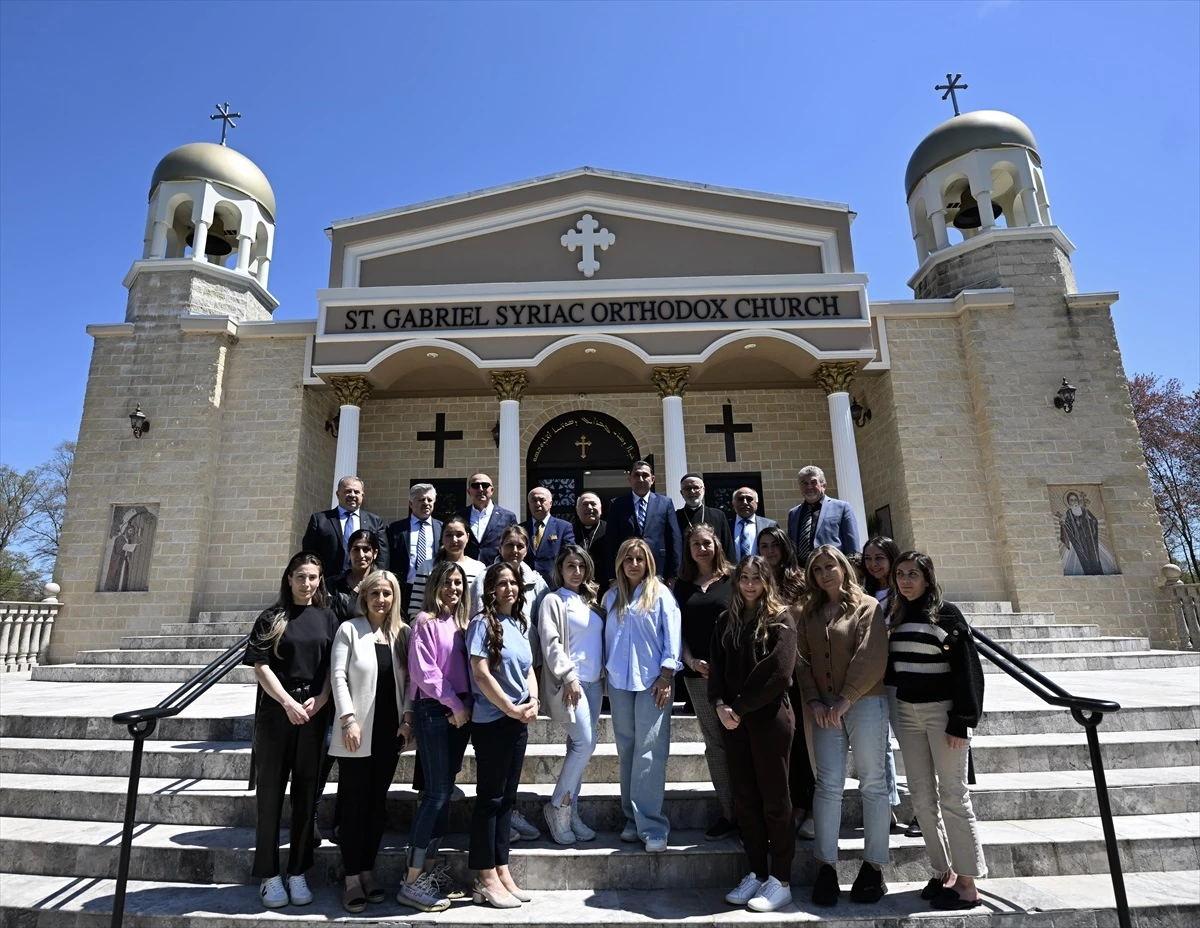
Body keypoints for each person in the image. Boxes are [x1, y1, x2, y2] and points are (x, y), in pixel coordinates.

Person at [887, 551, 987, 910]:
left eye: (913, 574)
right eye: (900, 574)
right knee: (922, 799)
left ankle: (968, 884)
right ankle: (941, 870)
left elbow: (969, 670)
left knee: (953, 798)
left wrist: (962, 719)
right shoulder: (895, 615)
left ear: (927, 577)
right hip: (907, 713)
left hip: (943, 715)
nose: (905, 580)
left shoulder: (946, 614)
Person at [796, 544, 890, 907]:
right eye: (817, 568)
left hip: (864, 703)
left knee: (873, 783)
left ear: (843, 568)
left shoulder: (867, 606)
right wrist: (814, 699)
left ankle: (874, 867)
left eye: (830, 565)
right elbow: (802, 661)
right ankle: (826, 867)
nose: (824, 573)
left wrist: (846, 698)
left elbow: (872, 655)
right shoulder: (809, 612)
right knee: (828, 784)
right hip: (824, 709)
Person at [244, 552, 338, 909]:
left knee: (306, 793)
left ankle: (298, 871)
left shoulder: (328, 617)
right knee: (270, 795)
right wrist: (287, 703)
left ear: (320, 580)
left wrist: (322, 697)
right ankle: (269, 876)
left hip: (314, 713)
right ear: (289, 579)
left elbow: (332, 664)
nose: (307, 583)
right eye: (301, 576)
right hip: (277, 713)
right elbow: (260, 665)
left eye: (313, 577)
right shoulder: (272, 617)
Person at [710, 556, 798, 913]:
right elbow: (716, 669)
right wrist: (719, 704)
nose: (749, 584)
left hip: (768, 719)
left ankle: (781, 879)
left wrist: (739, 707)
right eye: (743, 578)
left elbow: (778, 672)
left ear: (767, 582)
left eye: (756, 578)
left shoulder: (782, 619)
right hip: (733, 722)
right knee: (745, 799)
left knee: (775, 799)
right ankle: (757, 871)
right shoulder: (725, 620)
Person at [329, 570, 413, 914]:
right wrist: (348, 719)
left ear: (395, 598)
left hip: (388, 733)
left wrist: (407, 719)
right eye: (375, 593)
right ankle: (350, 878)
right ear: (364, 597)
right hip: (356, 731)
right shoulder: (349, 630)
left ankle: (368, 870)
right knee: (354, 803)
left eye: (388, 594)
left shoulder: (402, 634)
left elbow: (412, 682)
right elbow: (337, 676)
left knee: (377, 804)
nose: (382, 599)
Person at [467, 523, 548, 842]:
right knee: (493, 793)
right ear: (500, 546)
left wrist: (534, 698)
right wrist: (511, 707)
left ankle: (502, 838)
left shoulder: (536, 584)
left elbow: (533, 644)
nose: (515, 550)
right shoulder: (482, 594)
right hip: (495, 702)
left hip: (521, 687)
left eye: (521, 545)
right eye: (509, 545)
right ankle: (488, 858)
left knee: (506, 791)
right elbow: (480, 662)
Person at [401, 560, 474, 912]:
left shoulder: (462, 624)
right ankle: (411, 880)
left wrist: (467, 706)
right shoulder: (424, 622)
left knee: (444, 793)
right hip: (435, 710)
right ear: (435, 586)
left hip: (461, 712)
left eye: (458, 583)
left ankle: (429, 871)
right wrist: (453, 703)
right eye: (447, 582)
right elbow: (423, 670)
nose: (453, 589)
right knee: (435, 793)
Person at [466, 563, 539, 908]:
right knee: (490, 799)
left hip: (518, 720)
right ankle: (484, 875)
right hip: (493, 721)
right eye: (502, 583)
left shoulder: (519, 624)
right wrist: (511, 707)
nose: (510, 588)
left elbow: (528, 671)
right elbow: (480, 673)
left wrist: (534, 700)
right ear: (491, 589)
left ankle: (502, 868)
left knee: (508, 799)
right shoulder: (482, 623)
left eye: (514, 582)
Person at [604, 537, 681, 853]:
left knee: (650, 751)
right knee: (628, 750)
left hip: (654, 682)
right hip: (620, 683)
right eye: (628, 559)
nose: (634, 564)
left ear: (648, 561)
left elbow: (671, 636)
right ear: (620, 563)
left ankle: (652, 826)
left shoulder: (661, 594)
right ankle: (632, 819)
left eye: (639, 558)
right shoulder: (611, 597)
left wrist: (666, 675)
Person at [538, 545, 604, 845]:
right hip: (571, 684)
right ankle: (557, 807)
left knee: (576, 748)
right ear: (560, 570)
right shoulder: (553, 600)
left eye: (581, 566)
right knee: (585, 743)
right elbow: (551, 643)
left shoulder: (591, 602)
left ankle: (571, 809)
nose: (576, 571)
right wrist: (569, 677)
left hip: (593, 684)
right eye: (570, 566)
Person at [674, 523, 736, 841]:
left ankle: (749, 809)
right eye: (695, 544)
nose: (702, 549)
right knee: (715, 744)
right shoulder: (682, 586)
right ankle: (729, 813)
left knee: (741, 740)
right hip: (698, 676)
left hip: (735, 675)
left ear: (717, 545)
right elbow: (677, 632)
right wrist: (690, 661)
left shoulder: (734, 579)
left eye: (707, 543)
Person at [756, 526, 815, 839]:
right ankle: (790, 806)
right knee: (784, 742)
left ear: (785, 547)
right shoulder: (757, 580)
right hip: (772, 670)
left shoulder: (800, 579)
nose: (769, 551)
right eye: (763, 545)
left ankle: (809, 807)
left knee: (805, 745)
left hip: (802, 669)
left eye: (774, 545)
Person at [863, 535, 914, 837]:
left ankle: (923, 811)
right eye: (868, 559)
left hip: (899, 676)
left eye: (879, 558)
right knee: (878, 746)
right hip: (872, 678)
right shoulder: (863, 592)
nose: (873, 564)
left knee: (909, 743)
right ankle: (888, 809)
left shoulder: (904, 593)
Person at [605, 461, 683, 586]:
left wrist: (674, 575)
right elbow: (611, 541)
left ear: (652, 479)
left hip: (659, 570)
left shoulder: (665, 503)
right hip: (628, 571)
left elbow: (674, 538)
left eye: (645, 475)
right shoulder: (617, 504)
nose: (641, 479)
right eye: (636, 475)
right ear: (629, 478)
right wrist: (612, 576)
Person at [303, 476, 389, 581]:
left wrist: (377, 580)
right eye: (348, 491)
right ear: (338, 494)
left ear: (362, 495)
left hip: (364, 583)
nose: (352, 495)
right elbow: (309, 553)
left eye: (356, 492)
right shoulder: (320, 520)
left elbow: (382, 556)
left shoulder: (375, 521)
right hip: (329, 582)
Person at [411, 516, 485, 620]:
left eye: (459, 535)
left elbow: (481, 607)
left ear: (467, 537)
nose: (454, 540)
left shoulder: (479, 568)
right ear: (442, 538)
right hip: (434, 631)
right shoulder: (427, 566)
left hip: (468, 631)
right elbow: (416, 608)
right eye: (449, 535)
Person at [787, 466, 860, 565]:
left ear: (823, 485)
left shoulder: (842, 508)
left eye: (813, 482)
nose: (809, 487)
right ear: (800, 487)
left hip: (832, 570)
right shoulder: (793, 514)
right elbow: (791, 547)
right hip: (802, 573)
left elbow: (852, 546)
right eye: (804, 483)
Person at [386, 483, 442, 609]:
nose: (426, 503)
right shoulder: (395, 529)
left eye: (429, 500)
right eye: (421, 499)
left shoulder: (442, 528)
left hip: (433, 587)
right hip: (404, 588)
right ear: (411, 503)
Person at [458, 472, 518, 567]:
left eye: (485, 485)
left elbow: (514, 544)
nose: (480, 489)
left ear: (492, 490)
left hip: (496, 573)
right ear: (469, 492)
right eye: (475, 486)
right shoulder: (458, 517)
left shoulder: (508, 517)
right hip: (466, 574)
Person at [523, 486, 576, 582]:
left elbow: (569, 555)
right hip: (526, 583)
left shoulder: (563, 527)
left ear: (550, 503)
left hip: (554, 583)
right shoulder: (521, 528)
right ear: (529, 504)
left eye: (542, 500)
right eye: (534, 500)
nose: (538, 504)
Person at [328, 529, 380, 623]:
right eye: (356, 549)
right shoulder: (333, 584)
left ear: (375, 553)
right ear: (349, 553)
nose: (361, 555)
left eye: (366, 549)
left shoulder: (382, 584)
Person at [676, 473, 734, 556]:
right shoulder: (675, 517)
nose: (692, 491)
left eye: (696, 487)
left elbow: (727, 547)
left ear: (703, 490)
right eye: (687, 488)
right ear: (682, 493)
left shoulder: (718, 515)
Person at [730, 487, 777, 561]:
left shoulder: (770, 525)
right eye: (740, 499)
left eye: (749, 499)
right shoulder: (725, 526)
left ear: (757, 503)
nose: (745, 502)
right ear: (733, 504)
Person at [571, 491, 607, 559]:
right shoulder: (569, 531)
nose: (590, 507)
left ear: (601, 509)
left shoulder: (609, 529)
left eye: (593, 504)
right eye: (585, 504)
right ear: (577, 510)